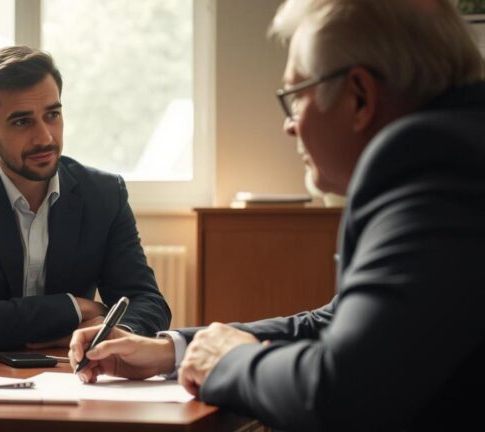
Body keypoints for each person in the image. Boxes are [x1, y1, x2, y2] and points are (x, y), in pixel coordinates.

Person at [69, 1, 485, 430]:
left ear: (359, 96)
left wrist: (231, 360)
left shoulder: (431, 162)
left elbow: (341, 393)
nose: (289, 126)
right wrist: (174, 349)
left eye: (295, 97)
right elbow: (340, 323)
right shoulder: (456, 144)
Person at [0, 46, 171, 351]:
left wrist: (108, 331)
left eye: (52, 115)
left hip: (74, 371)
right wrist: (79, 308)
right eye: (22, 122)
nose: (45, 138)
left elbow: (148, 304)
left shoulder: (103, 194)